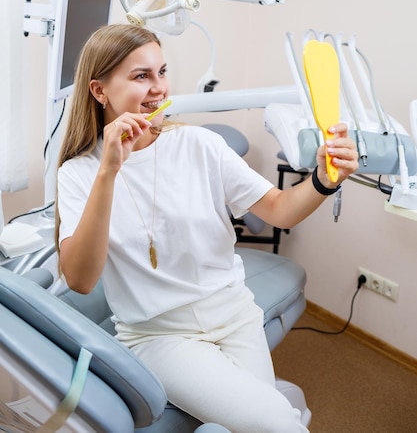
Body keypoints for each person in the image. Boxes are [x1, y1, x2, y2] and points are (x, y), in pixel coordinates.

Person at [56, 23, 358, 433]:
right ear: (99, 91)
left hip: (234, 314)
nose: (158, 88)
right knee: (276, 421)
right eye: (141, 76)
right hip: (160, 336)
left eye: (162, 72)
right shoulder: (79, 174)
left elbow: (280, 210)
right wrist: (108, 171)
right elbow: (80, 279)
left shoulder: (200, 146)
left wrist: (325, 179)